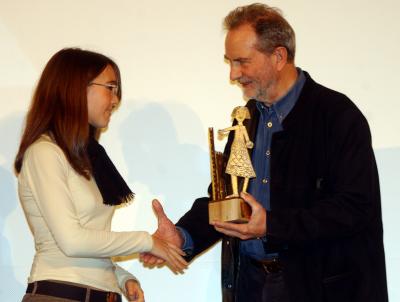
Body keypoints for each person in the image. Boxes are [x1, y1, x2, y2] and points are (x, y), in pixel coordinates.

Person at [140, 3, 388, 302]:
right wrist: (182, 236)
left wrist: (271, 225)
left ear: (279, 56)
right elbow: (228, 202)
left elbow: (355, 208)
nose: (233, 74)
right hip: (250, 285)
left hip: (317, 288)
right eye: (229, 62)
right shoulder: (246, 118)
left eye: (242, 62)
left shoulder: (336, 115)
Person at [14, 48, 187, 302]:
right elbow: (71, 241)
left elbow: (86, 242)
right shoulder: (44, 153)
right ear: (76, 88)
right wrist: (146, 241)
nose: (115, 100)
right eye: (110, 88)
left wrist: (120, 277)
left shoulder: (87, 157)